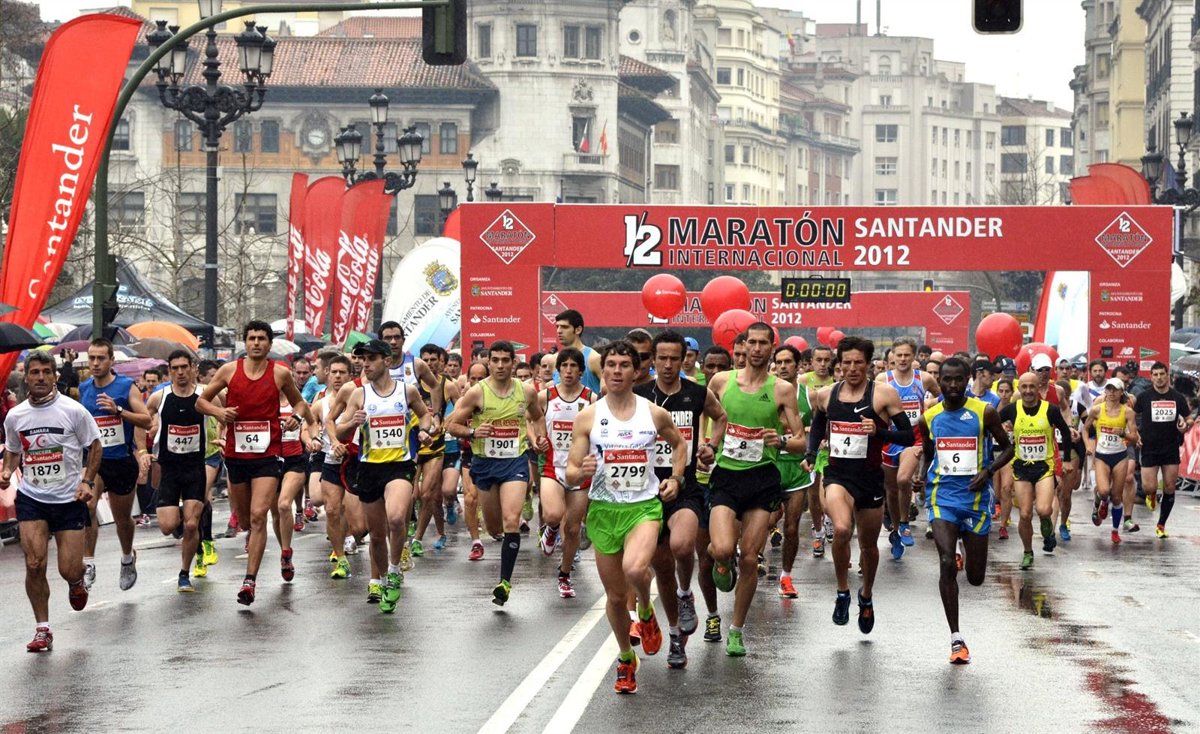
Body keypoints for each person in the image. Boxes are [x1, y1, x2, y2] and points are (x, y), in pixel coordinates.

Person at [566, 340, 687, 693]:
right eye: (611, 365)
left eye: (624, 365)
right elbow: (570, 470)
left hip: (643, 507)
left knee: (636, 569)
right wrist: (581, 471)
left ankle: (646, 611)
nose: (616, 371)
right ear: (602, 370)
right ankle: (625, 657)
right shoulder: (589, 416)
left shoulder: (654, 414)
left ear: (637, 371)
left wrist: (676, 478)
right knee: (617, 598)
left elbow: (679, 444)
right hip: (604, 510)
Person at [197, 320, 315, 605]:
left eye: (262, 338)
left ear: (269, 344)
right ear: (245, 342)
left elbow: (300, 403)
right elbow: (201, 402)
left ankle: (249, 581)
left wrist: (296, 418)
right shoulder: (229, 370)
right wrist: (219, 412)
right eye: (252, 338)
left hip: (268, 455)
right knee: (246, 519)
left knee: (260, 514)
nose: (257, 343)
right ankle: (262, 550)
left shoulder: (279, 373)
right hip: (237, 456)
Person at [706, 323, 804, 656]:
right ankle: (722, 562)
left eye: (764, 343)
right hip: (727, 475)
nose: (758, 349)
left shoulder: (783, 390)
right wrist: (709, 445)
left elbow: (801, 442)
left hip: (763, 479)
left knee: (749, 557)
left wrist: (783, 441)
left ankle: (736, 630)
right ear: (744, 346)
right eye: (752, 342)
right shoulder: (722, 382)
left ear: (772, 348)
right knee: (722, 548)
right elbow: (709, 418)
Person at [806, 335, 913, 633]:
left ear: (868, 364)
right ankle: (842, 591)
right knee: (841, 529)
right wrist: (811, 454)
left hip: (869, 479)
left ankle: (866, 595)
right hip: (838, 476)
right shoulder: (826, 395)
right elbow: (817, 427)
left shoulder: (884, 395)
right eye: (847, 363)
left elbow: (908, 436)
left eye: (858, 363)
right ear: (839, 365)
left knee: (868, 546)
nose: (852, 368)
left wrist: (879, 431)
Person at [635, 331, 726, 668]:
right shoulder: (639, 395)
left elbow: (721, 417)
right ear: (653, 360)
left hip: (684, 486)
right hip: (646, 491)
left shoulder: (697, 392)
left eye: (675, 358)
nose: (669, 364)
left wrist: (710, 446)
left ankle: (686, 593)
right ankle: (675, 636)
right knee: (661, 567)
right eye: (662, 358)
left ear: (686, 358)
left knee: (683, 546)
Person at [2, 351, 100, 651]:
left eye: (47, 371)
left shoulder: (73, 411)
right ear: (26, 377)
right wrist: (7, 470)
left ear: (55, 376)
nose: (41, 377)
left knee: (68, 569)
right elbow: (14, 450)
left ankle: (77, 580)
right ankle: (42, 629)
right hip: (33, 497)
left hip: (69, 498)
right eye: (35, 372)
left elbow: (95, 446)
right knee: (34, 563)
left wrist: (87, 481)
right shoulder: (15, 416)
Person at [917, 358, 1012, 664]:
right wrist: (920, 475)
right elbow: (929, 454)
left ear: (968, 379)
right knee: (946, 562)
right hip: (942, 497)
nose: (953, 385)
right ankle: (956, 639)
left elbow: (1008, 447)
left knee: (975, 578)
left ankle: (963, 543)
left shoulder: (984, 412)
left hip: (975, 500)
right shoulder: (929, 417)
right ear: (939, 382)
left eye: (958, 379)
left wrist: (988, 471)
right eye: (947, 380)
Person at [335, 339, 433, 613]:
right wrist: (351, 423)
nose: (365, 364)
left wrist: (424, 431)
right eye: (363, 359)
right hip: (369, 468)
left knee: (397, 517)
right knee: (377, 535)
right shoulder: (359, 395)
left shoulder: (406, 391)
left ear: (387, 361)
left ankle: (393, 570)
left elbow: (425, 416)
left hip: (399, 465)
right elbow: (339, 431)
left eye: (371, 359)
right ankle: (381, 578)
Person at [446, 341, 548, 605]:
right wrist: (472, 432)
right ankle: (497, 537)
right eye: (496, 360)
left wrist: (539, 438)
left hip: (515, 462)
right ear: (488, 362)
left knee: (511, 520)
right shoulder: (477, 393)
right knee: (494, 527)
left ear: (514, 362)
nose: (501, 365)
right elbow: (451, 425)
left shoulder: (526, 391)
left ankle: (504, 583)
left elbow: (537, 417)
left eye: (506, 360)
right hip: (485, 464)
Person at [79, 338, 152, 592]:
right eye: (91, 358)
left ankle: (127, 558)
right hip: (95, 462)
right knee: (88, 506)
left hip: (121, 461)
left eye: (101, 358)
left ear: (111, 360)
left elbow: (146, 420)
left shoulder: (126, 386)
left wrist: (118, 410)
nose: (95, 363)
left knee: (122, 519)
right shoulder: (84, 388)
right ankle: (88, 563)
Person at [142, 350, 208, 592]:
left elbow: (225, 411)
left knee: (191, 525)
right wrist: (142, 450)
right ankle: (184, 515)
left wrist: (223, 436)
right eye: (175, 368)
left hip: (195, 468)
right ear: (169, 371)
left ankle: (184, 574)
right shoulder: (159, 398)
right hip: (169, 469)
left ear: (192, 368)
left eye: (184, 367)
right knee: (168, 527)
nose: (180, 372)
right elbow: (141, 421)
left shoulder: (204, 395)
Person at [538, 348, 597, 598]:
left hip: (580, 470)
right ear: (558, 369)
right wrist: (537, 438)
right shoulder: (546, 396)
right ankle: (551, 529)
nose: (569, 371)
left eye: (574, 366)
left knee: (573, 529)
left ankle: (564, 574)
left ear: (581, 371)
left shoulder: (591, 399)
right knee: (553, 514)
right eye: (565, 366)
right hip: (553, 466)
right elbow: (531, 419)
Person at [1000, 373, 1073, 570]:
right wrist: (1003, 441)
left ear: (1038, 388)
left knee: (1044, 509)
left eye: (1032, 387)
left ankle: (1046, 526)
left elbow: (1065, 433)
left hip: (1044, 467)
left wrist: (1066, 460)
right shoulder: (1012, 409)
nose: (1028, 391)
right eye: (1024, 387)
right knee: (1024, 514)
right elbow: (991, 424)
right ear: (1019, 389)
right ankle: (1027, 552)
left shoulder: (1050, 409)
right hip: (1021, 467)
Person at [877, 336, 940, 560]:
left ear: (914, 357)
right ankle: (896, 530)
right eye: (899, 355)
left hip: (914, 439)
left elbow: (944, 399)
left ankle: (904, 522)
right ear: (892, 357)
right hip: (889, 439)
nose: (903, 359)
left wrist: (933, 417)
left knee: (904, 479)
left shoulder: (924, 379)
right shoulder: (883, 379)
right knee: (891, 490)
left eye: (907, 355)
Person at [771, 344, 816, 596]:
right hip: (769, 464)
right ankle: (749, 558)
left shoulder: (810, 396)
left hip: (797, 467)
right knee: (763, 522)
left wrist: (814, 438)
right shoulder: (766, 391)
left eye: (788, 362)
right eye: (779, 362)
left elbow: (822, 423)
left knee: (791, 526)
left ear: (798, 365)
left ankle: (786, 577)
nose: (783, 366)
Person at [696, 345, 731, 641]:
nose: (716, 372)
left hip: (731, 485)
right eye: (711, 366)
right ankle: (712, 615)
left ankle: (727, 555)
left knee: (725, 550)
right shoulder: (690, 399)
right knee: (703, 558)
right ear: (703, 368)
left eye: (722, 367)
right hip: (697, 486)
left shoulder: (738, 402)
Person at [1132, 362, 1190, 538]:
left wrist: (1185, 425)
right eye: (1155, 375)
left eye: (1162, 374)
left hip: (1170, 447)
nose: (1159, 378)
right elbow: (1131, 416)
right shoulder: (1144, 397)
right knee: (1149, 486)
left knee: (1170, 487)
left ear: (1167, 375)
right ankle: (1151, 495)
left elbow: (1188, 417)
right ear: (1151, 377)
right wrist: (1135, 433)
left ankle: (1161, 525)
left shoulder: (1177, 397)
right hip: (1149, 447)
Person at [310, 355, 354, 580]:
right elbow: (310, 424)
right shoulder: (321, 403)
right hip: (331, 460)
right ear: (328, 374)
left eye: (342, 372)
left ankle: (352, 536)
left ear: (350, 376)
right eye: (334, 372)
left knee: (359, 522)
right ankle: (340, 558)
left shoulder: (360, 397)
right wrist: (313, 439)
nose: (337, 376)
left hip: (356, 462)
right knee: (331, 509)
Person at [1082, 377, 1139, 545]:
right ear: (1105, 391)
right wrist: (1088, 445)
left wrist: (1123, 434)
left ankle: (1115, 531)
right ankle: (1100, 502)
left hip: (1120, 456)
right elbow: (1085, 429)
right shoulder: (1097, 410)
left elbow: (1134, 438)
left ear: (1121, 392)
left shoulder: (1127, 412)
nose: (1111, 392)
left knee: (1116, 496)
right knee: (1104, 490)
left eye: (1115, 389)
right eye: (1109, 389)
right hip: (1102, 455)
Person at [553, 309, 603, 393]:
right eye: (557, 327)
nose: (559, 331)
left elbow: (608, 392)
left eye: (564, 327)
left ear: (578, 330)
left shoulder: (593, 359)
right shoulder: (554, 359)